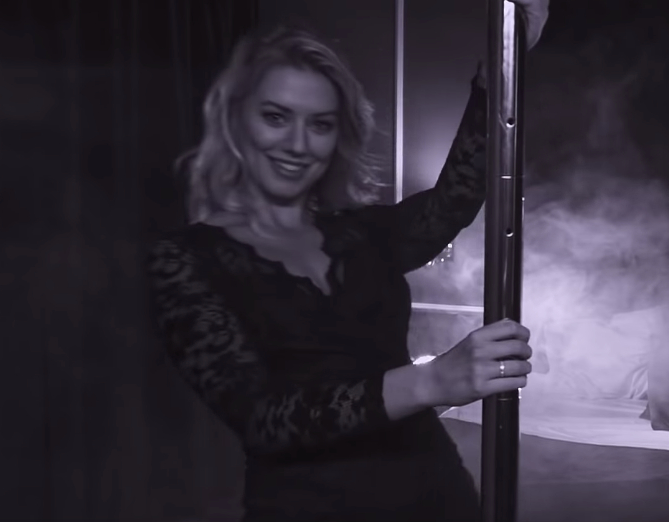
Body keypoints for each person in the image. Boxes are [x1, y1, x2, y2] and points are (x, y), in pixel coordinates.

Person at [145, 2, 549, 521]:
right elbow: (265, 421)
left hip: (438, 497)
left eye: (320, 124)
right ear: (236, 120)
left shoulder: (360, 234)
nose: (297, 144)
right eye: (276, 117)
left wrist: (499, 71)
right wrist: (431, 381)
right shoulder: (185, 259)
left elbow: (454, 200)